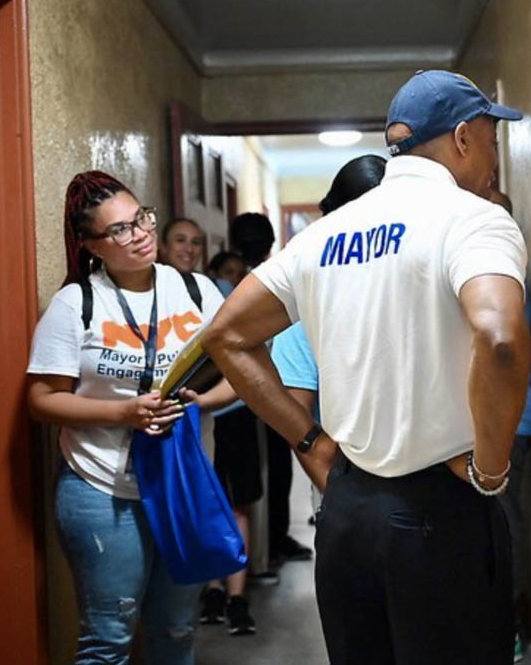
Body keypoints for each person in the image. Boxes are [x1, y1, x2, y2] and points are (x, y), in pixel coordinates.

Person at [203, 70, 531, 665]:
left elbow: (225, 335)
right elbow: (501, 337)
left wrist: (308, 439)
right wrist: (490, 467)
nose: (492, 159)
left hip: (348, 514)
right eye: (490, 140)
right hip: (441, 506)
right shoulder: (474, 219)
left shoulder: (323, 235)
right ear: (461, 138)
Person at [26, 171, 236, 663]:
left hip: (183, 484)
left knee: (178, 631)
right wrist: (125, 412)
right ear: (91, 245)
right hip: (103, 489)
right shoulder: (76, 303)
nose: (140, 234)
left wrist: (202, 403)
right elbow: (41, 399)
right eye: (119, 229)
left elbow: (239, 372)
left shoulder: (197, 289)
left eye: (141, 218)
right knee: (109, 639)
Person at [270, 155, 388, 499]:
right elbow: (296, 415)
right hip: (348, 482)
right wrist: (337, 500)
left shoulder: (419, 285)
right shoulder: (307, 300)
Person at [197, 220, 272, 634]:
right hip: (201, 418)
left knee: (239, 504)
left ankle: (236, 595)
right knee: (212, 504)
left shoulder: (242, 299)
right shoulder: (193, 302)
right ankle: (214, 590)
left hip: (237, 415)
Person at [231, 212, 315, 566]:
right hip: (248, 396)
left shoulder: (273, 280)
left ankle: (274, 541)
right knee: (265, 475)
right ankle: (265, 548)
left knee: (278, 470)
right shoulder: (246, 283)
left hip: (273, 387)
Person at [489, 188, 531, 664]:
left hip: (510, 421)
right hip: (496, 418)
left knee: (502, 524)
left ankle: (509, 626)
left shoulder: (505, 279)